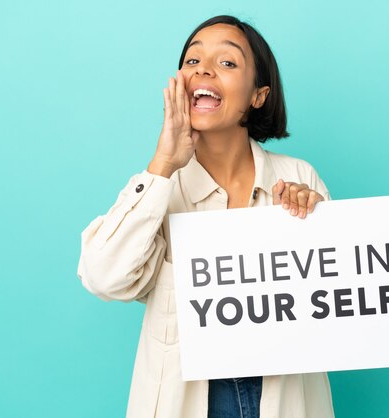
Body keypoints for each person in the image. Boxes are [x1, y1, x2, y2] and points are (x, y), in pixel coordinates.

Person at [77, 15, 335, 418]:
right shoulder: (161, 186)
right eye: (193, 60)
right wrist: (162, 163)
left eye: (228, 63)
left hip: (281, 398)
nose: (204, 70)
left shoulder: (299, 177)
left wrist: (315, 220)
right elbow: (103, 276)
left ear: (258, 95)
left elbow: (335, 311)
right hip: (191, 400)